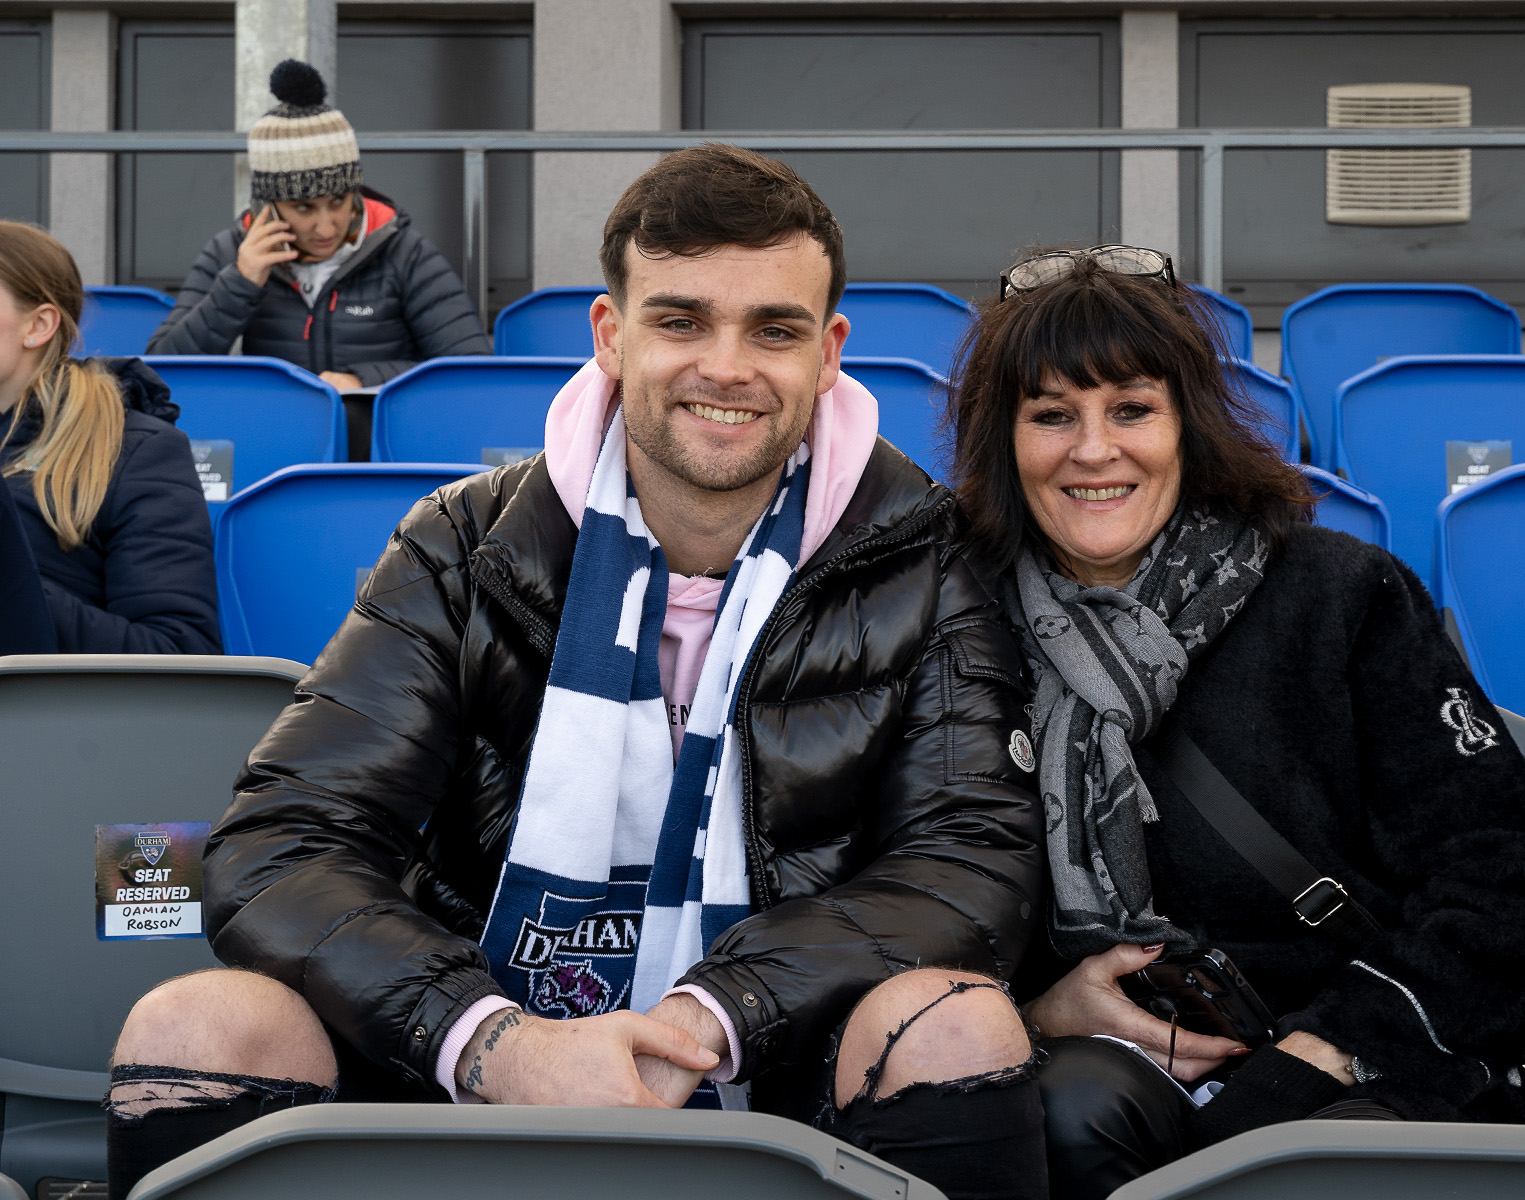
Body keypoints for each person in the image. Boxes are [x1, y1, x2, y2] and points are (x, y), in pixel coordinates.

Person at [106, 145, 1046, 1200]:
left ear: (829, 354)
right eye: (681, 319)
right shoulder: (464, 544)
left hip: (785, 1064)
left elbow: (970, 862)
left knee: (956, 1021)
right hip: (481, 1060)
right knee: (196, 1023)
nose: (727, 367)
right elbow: (280, 844)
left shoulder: (919, 550)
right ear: (612, 335)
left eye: (773, 329)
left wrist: (712, 1018)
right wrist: (498, 1043)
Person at [949, 247, 1525, 1200]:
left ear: (1188, 425)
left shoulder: (1339, 594)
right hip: (1117, 1067)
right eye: (1051, 415)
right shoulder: (959, 626)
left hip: (1353, 1051)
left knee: (1335, 1164)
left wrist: (1324, 1057)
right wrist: (1041, 1010)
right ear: (1006, 441)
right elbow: (926, 890)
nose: (1092, 449)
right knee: (1064, 1110)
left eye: (1131, 409)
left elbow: (1512, 882)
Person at [146, 60, 489, 389]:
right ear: (270, 206)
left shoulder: (403, 251)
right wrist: (239, 285)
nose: (326, 228)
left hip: (373, 441)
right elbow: (162, 369)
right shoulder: (231, 252)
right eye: (303, 208)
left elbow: (471, 367)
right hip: (278, 439)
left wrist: (363, 381)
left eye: (339, 202)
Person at [0, 221, 219, 654]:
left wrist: (14, 584)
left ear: (39, 325)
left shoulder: (136, 450)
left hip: (45, 715)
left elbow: (180, 657)